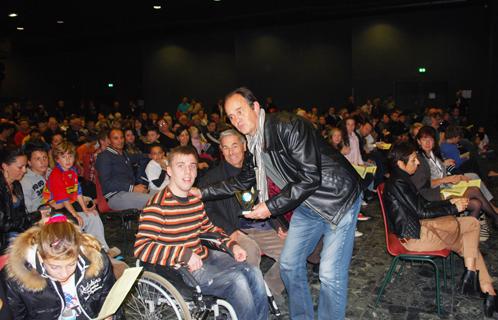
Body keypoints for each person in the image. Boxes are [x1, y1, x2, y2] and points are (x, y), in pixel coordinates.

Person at [198, 87, 364, 320]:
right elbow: (243, 180)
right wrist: (201, 192)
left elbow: (310, 178)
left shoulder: (289, 126)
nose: (236, 120)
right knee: (289, 264)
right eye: (231, 116)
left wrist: (269, 208)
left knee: (329, 273)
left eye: (240, 111)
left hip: (338, 199)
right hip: (307, 203)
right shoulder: (254, 142)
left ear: (255, 107)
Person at [134, 146, 268, 320]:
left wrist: (232, 245)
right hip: (177, 269)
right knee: (237, 281)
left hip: (202, 256)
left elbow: (208, 229)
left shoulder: (194, 201)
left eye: (192, 166)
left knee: (253, 271)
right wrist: (184, 254)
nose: (188, 172)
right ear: (169, 171)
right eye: (180, 166)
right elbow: (142, 248)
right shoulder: (157, 207)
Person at [383, 142, 497, 317]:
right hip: (414, 238)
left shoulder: (402, 178)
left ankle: (487, 289)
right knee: (470, 229)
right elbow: (422, 211)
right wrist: (453, 208)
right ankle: (476, 280)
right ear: (400, 163)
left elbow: (423, 204)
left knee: (469, 234)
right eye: (413, 160)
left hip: (420, 229)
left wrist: (450, 202)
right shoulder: (399, 182)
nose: (418, 163)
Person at [198, 129, 286, 295]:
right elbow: (207, 211)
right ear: (221, 151)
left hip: (262, 226)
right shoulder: (211, 179)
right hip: (235, 228)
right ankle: (251, 296)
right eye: (226, 148)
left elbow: (269, 199)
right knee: (249, 252)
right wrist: (231, 231)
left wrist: (279, 225)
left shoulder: (257, 171)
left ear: (244, 146)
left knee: (292, 253)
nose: (231, 152)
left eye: (235, 146)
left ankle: (268, 290)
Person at [4, 215, 121, 319]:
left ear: (78, 252)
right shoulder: (18, 278)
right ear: (40, 256)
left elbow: (110, 297)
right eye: (55, 267)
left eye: (71, 264)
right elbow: (16, 316)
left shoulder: (96, 260)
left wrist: (111, 315)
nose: (64, 274)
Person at [44, 141, 119, 257]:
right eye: (63, 157)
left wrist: (85, 209)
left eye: (70, 156)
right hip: (54, 211)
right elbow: (64, 199)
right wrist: (75, 214)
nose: (68, 159)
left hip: (66, 207)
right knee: (78, 221)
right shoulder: (55, 175)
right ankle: (89, 253)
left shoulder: (72, 171)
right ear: (57, 159)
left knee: (93, 215)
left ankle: (103, 249)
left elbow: (77, 192)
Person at [95, 129, 149, 211]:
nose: (120, 141)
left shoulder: (123, 154)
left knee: (161, 195)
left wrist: (151, 155)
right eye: (116, 138)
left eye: (121, 138)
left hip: (130, 192)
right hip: (115, 197)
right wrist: (132, 188)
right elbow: (106, 184)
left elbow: (137, 157)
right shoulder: (104, 157)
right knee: (154, 200)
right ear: (109, 140)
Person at [1, 147, 39, 253]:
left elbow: (21, 214)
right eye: (20, 167)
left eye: (25, 166)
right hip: (4, 239)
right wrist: (35, 216)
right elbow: (4, 225)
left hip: (18, 230)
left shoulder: (16, 184)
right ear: (5, 167)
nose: (24, 170)